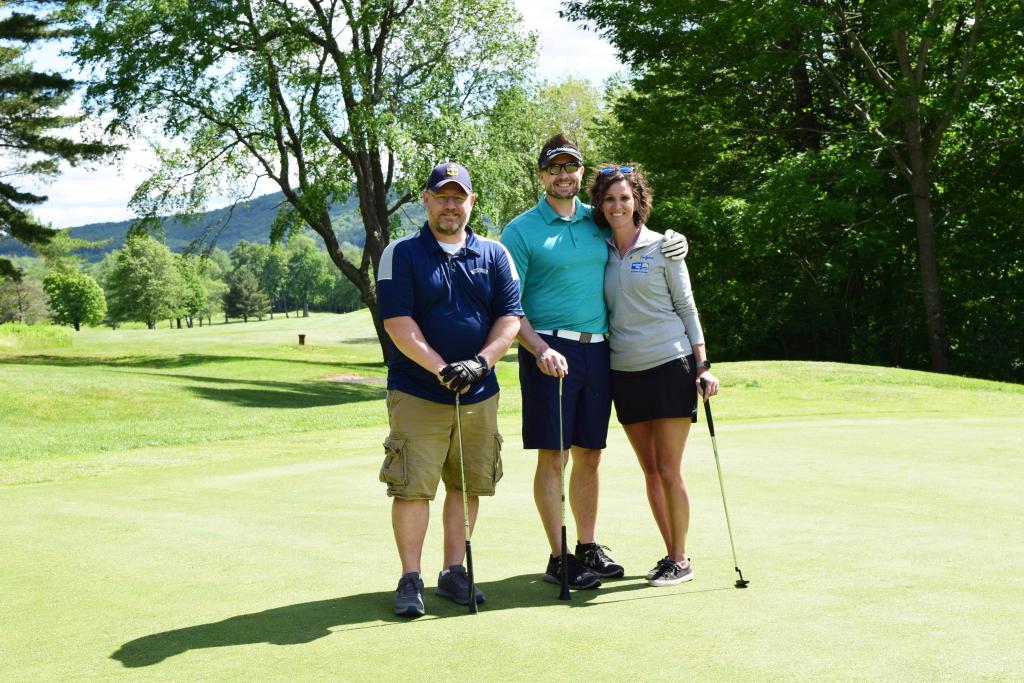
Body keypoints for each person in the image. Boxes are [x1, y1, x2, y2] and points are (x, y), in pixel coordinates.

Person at [499, 135, 689, 590]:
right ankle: (558, 556)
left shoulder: (595, 222)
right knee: (555, 455)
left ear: (580, 175)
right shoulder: (521, 231)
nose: (563, 175)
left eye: (572, 167)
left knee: (591, 454)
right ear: (542, 176)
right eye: (554, 168)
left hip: (599, 351)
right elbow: (508, 305)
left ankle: (586, 546)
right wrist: (538, 348)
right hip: (548, 350)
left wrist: (675, 240)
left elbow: (635, 231)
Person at [377, 161, 522, 616]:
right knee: (413, 488)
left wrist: (480, 363)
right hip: (419, 392)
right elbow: (399, 325)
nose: (450, 205)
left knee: (467, 485)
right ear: (426, 199)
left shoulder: (495, 254)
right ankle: (410, 578)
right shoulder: (400, 253)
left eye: (459, 197)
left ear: (471, 202)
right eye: (442, 196)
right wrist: (443, 369)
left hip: (480, 393)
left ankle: (453, 572)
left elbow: (510, 319)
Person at [591, 162, 720, 586]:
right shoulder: (600, 251)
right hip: (623, 371)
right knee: (649, 470)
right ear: (601, 204)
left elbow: (687, 307)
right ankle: (670, 554)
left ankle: (681, 559)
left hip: (669, 364)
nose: (617, 205)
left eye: (624, 197)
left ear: (638, 201)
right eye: (609, 198)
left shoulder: (665, 247)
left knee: (669, 469)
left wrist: (703, 364)